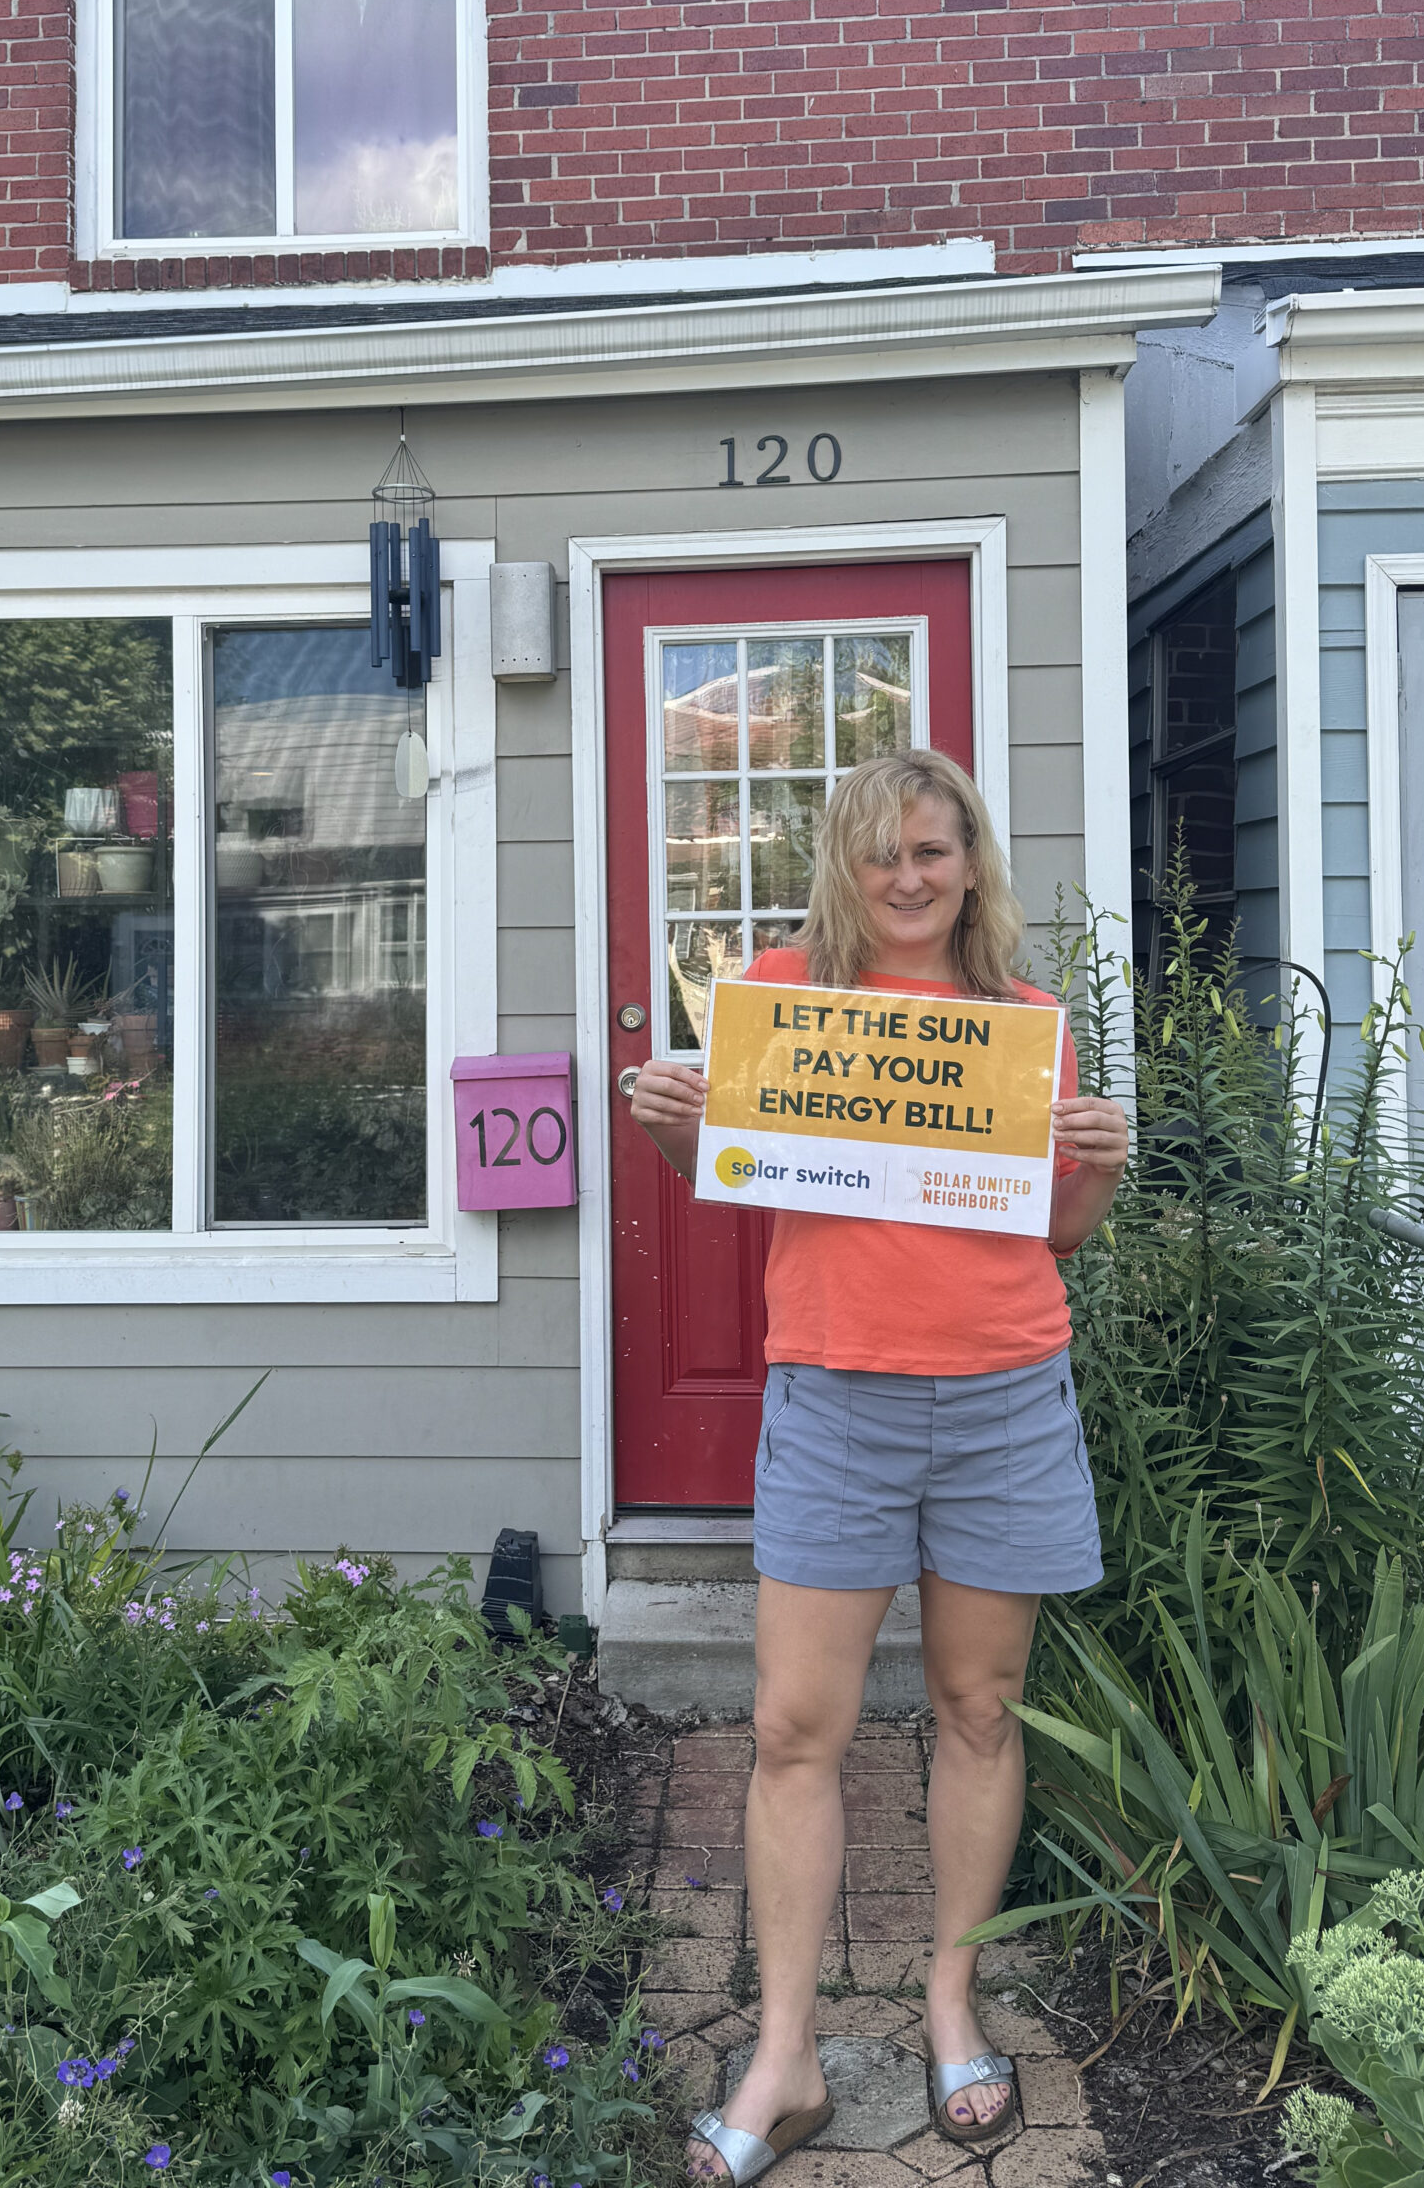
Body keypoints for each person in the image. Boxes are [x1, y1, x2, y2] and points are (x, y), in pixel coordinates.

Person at [628, 749, 1129, 2179]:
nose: (910, 877)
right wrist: (679, 1133)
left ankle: (951, 2001)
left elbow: (1057, 1233)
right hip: (839, 1397)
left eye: (936, 848)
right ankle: (784, 2055)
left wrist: (1094, 1160)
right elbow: (743, 1173)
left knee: (980, 1708)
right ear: (845, 864)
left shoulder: (1026, 1025)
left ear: (972, 863)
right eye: (883, 852)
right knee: (797, 1727)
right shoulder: (787, 999)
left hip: (1004, 1397)